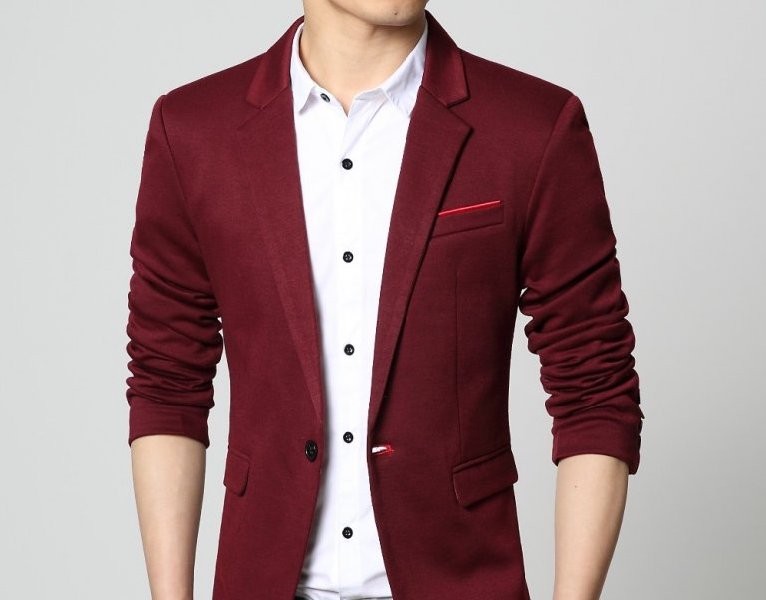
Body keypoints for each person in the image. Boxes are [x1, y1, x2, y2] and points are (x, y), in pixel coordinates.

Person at [125, 2, 645, 599]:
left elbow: (594, 387)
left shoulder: (531, 127)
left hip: (460, 582)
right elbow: (167, 383)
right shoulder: (193, 131)